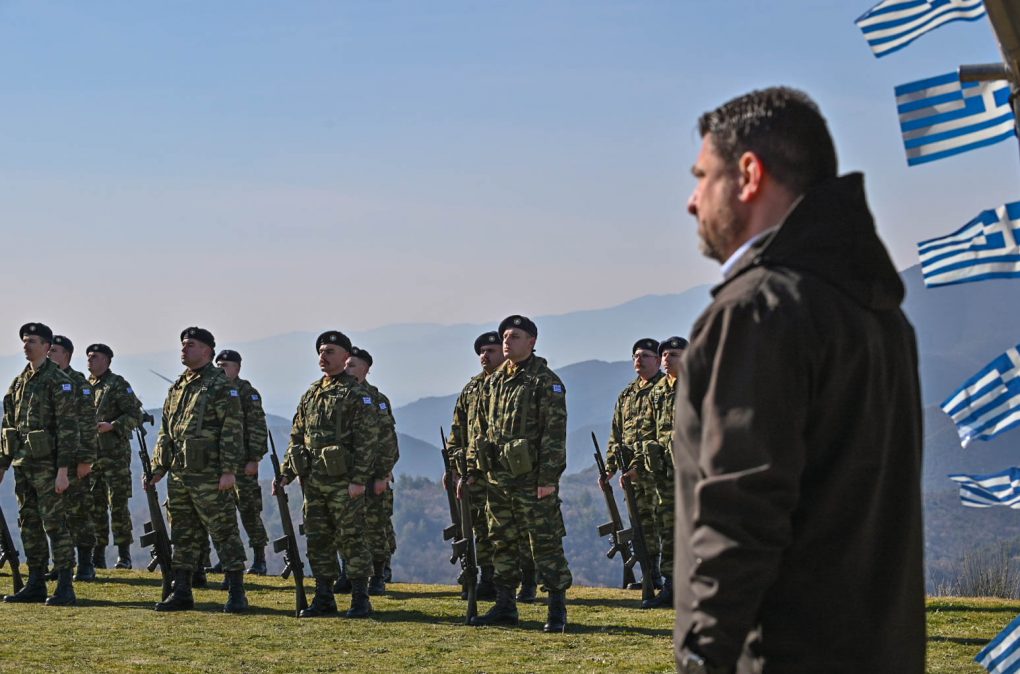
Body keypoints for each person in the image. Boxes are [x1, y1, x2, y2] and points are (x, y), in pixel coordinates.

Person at [674, 87, 924, 673]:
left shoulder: (758, 311)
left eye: (702, 176)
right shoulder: (879, 314)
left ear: (749, 175)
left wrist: (702, 659)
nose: (692, 201)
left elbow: (742, 508)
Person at [471, 315, 571, 633]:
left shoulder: (545, 381)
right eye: (504, 336)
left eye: (514, 336)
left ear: (532, 342)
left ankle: (556, 608)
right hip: (498, 480)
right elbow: (481, 428)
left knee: (544, 542)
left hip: (531, 480)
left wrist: (547, 479)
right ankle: (505, 605)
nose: (507, 341)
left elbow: (554, 435)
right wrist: (475, 468)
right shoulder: (495, 381)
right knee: (502, 541)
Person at [277, 330, 386, 619]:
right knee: (318, 539)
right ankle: (323, 596)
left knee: (351, 538)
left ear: (345, 356)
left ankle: (360, 598)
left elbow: (367, 441)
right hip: (314, 482)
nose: (323, 357)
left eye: (330, 352)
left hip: (344, 481)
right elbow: (297, 437)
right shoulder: (312, 394)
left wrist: (359, 480)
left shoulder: (357, 395)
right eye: (321, 351)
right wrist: (286, 473)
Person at [146, 327, 249, 613]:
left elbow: (232, 429)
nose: (184, 348)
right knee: (182, 532)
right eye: (182, 344)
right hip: (180, 473)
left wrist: (228, 471)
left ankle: (237, 591)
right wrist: (159, 467)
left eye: (190, 345)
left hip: (210, 473)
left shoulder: (220, 385)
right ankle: (182, 590)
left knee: (223, 530)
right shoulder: (179, 386)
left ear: (207, 351)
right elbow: (167, 431)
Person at [0, 323, 80, 605]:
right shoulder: (19, 382)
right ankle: (35, 582)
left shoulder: (57, 381)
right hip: (24, 466)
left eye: (32, 341)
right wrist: (2, 464)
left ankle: (65, 586)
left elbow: (68, 429)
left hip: (49, 467)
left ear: (46, 347)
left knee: (55, 525)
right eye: (24, 340)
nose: (26, 345)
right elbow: (8, 425)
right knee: (29, 524)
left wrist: (63, 471)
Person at [603, 338, 664, 592]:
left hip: (657, 473)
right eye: (636, 355)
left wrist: (640, 468)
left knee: (663, 525)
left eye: (646, 355)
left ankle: (669, 578)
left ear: (658, 360)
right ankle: (650, 576)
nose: (639, 359)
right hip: (631, 475)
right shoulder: (627, 395)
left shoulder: (664, 390)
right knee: (641, 527)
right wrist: (610, 468)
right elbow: (615, 434)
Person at [206, 349, 270, 578]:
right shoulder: (214, 390)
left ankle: (259, 559)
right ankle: (226, 558)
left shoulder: (247, 393)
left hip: (243, 462)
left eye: (226, 365)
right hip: (219, 463)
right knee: (221, 513)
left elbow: (257, 427)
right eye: (218, 364)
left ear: (237, 368)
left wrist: (254, 459)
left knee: (249, 509)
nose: (222, 369)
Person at [343, 346, 399, 596]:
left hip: (372, 476)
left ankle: (378, 575)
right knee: (345, 527)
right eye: (345, 364)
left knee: (375, 527)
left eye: (353, 365)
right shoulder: (337, 395)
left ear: (366, 369)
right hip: (343, 475)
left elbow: (387, 441)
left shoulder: (376, 400)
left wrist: (382, 474)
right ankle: (349, 573)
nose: (347, 368)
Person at [85, 342, 143, 571]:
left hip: (115, 457)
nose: (91, 360)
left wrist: (114, 425)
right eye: (88, 356)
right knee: (95, 506)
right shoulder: (86, 386)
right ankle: (97, 554)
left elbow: (135, 415)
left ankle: (123, 555)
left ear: (107, 360)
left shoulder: (117, 384)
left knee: (117, 505)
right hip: (92, 456)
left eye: (95, 357)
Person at [47, 335, 98, 582]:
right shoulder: (46, 380)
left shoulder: (78, 383)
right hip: (50, 460)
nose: (49, 354)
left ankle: (86, 563)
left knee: (79, 511)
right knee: (55, 515)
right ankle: (61, 562)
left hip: (76, 458)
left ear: (66, 355)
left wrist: (86, 459)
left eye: (54, 350)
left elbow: (88, 424)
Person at [642, 335, 687, 610]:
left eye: (675, 354)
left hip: (691, 475)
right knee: (667, 529)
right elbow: (648, 430)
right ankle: (670, 587)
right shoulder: (658, 391)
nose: (668, 359)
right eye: (666, 355)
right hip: (663, 476)